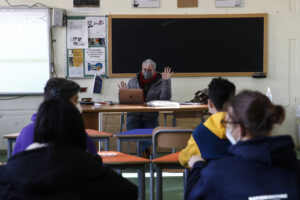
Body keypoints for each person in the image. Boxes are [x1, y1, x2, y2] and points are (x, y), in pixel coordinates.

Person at [0, 99, 138, 199]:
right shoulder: (91, 168)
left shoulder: (11, 171)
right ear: (78, 130)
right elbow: (129, 191)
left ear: (38, 129)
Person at [187, 90, 300, 200]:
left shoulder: (217, 173)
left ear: (240, 129)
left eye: (227, 122)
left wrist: (197, 168)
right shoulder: (295, 169)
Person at [12, 78, 97, 155]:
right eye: (75, 99)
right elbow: (95, 165)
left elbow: (14, 167)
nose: (78, 104)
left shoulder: (26, 132)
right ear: (62, 103)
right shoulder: (76, 133)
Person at [118, 59, 172, 157]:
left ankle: (141, 153)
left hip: (150, 117)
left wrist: (166, 82)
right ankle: (145, 150)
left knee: (151, 135)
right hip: (134, 116)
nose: (146, 72)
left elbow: (166, 99)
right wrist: (123, 93)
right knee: (133, 132)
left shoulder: (160, 82)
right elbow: (124, 102)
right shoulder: (132, 81)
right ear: (141, 69)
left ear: (154, 71)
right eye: (144, 69)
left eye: (149, 70)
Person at [179, 77, 236, 168]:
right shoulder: (244, 129)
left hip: (210, 180)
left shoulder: (200, 133)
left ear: (210, 104)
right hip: (240, 179)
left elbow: (185, 159)